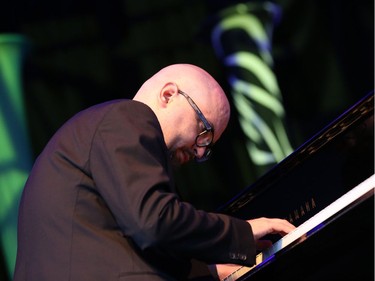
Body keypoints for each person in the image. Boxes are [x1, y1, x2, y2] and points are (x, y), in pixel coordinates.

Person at [13, 63, 295, 281]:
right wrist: (243, 233)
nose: (199, 152)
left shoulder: (97, 136)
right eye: (203, 133)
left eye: (207, 146)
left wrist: (209, 271)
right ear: (169, 95)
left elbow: (132, 240)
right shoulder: (127, 118)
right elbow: (154, 222)